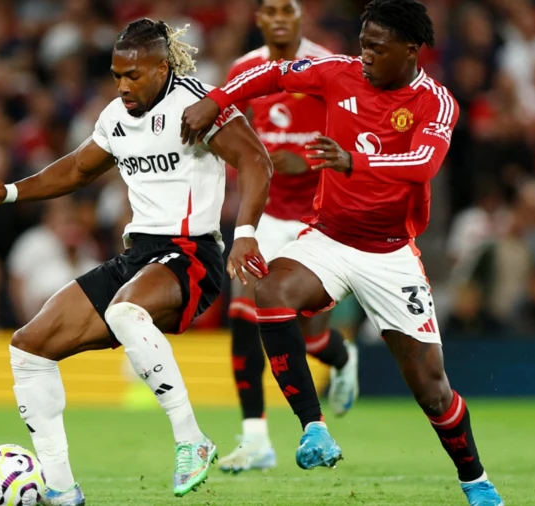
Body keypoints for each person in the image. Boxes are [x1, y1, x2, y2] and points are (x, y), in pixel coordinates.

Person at [180, 1, 504, 505]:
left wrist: (355, 159)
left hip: (391, 254)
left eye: (378, 46)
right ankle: (313, 428)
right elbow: (273, 73)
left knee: (432, 389)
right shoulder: (339, 73)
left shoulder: (434, 101)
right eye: (363, 43)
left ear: (411, 50)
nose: (366, 54)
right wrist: (217, 99)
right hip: (328, 237)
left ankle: (476, 481)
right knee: (267, 288)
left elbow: (422, 164)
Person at [0, 19, 272, 503]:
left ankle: (192, 439)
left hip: (191, 253)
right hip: (138, 255)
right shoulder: (115, 116)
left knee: (127, 311)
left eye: (133, 75)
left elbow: (255, 161)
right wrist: (12, 191)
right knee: (29, 348)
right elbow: (80, 167)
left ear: (162, 67)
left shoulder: (196, 103)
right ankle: (61, 491)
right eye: (116, 74)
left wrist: (245, 232)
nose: (123, 85)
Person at [218, 0, 358, 474]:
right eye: (270, 10)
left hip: (316, 219)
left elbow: (355, 136)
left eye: (288, 9)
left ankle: (341, 358)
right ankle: (256, 438)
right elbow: (230, 135)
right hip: (267, 216)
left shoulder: (328, 66)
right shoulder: (244, 70)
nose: (278, 18)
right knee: (243, 312)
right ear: (258, 19)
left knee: (311, 337)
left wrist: (314, 161)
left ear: (302, 18)